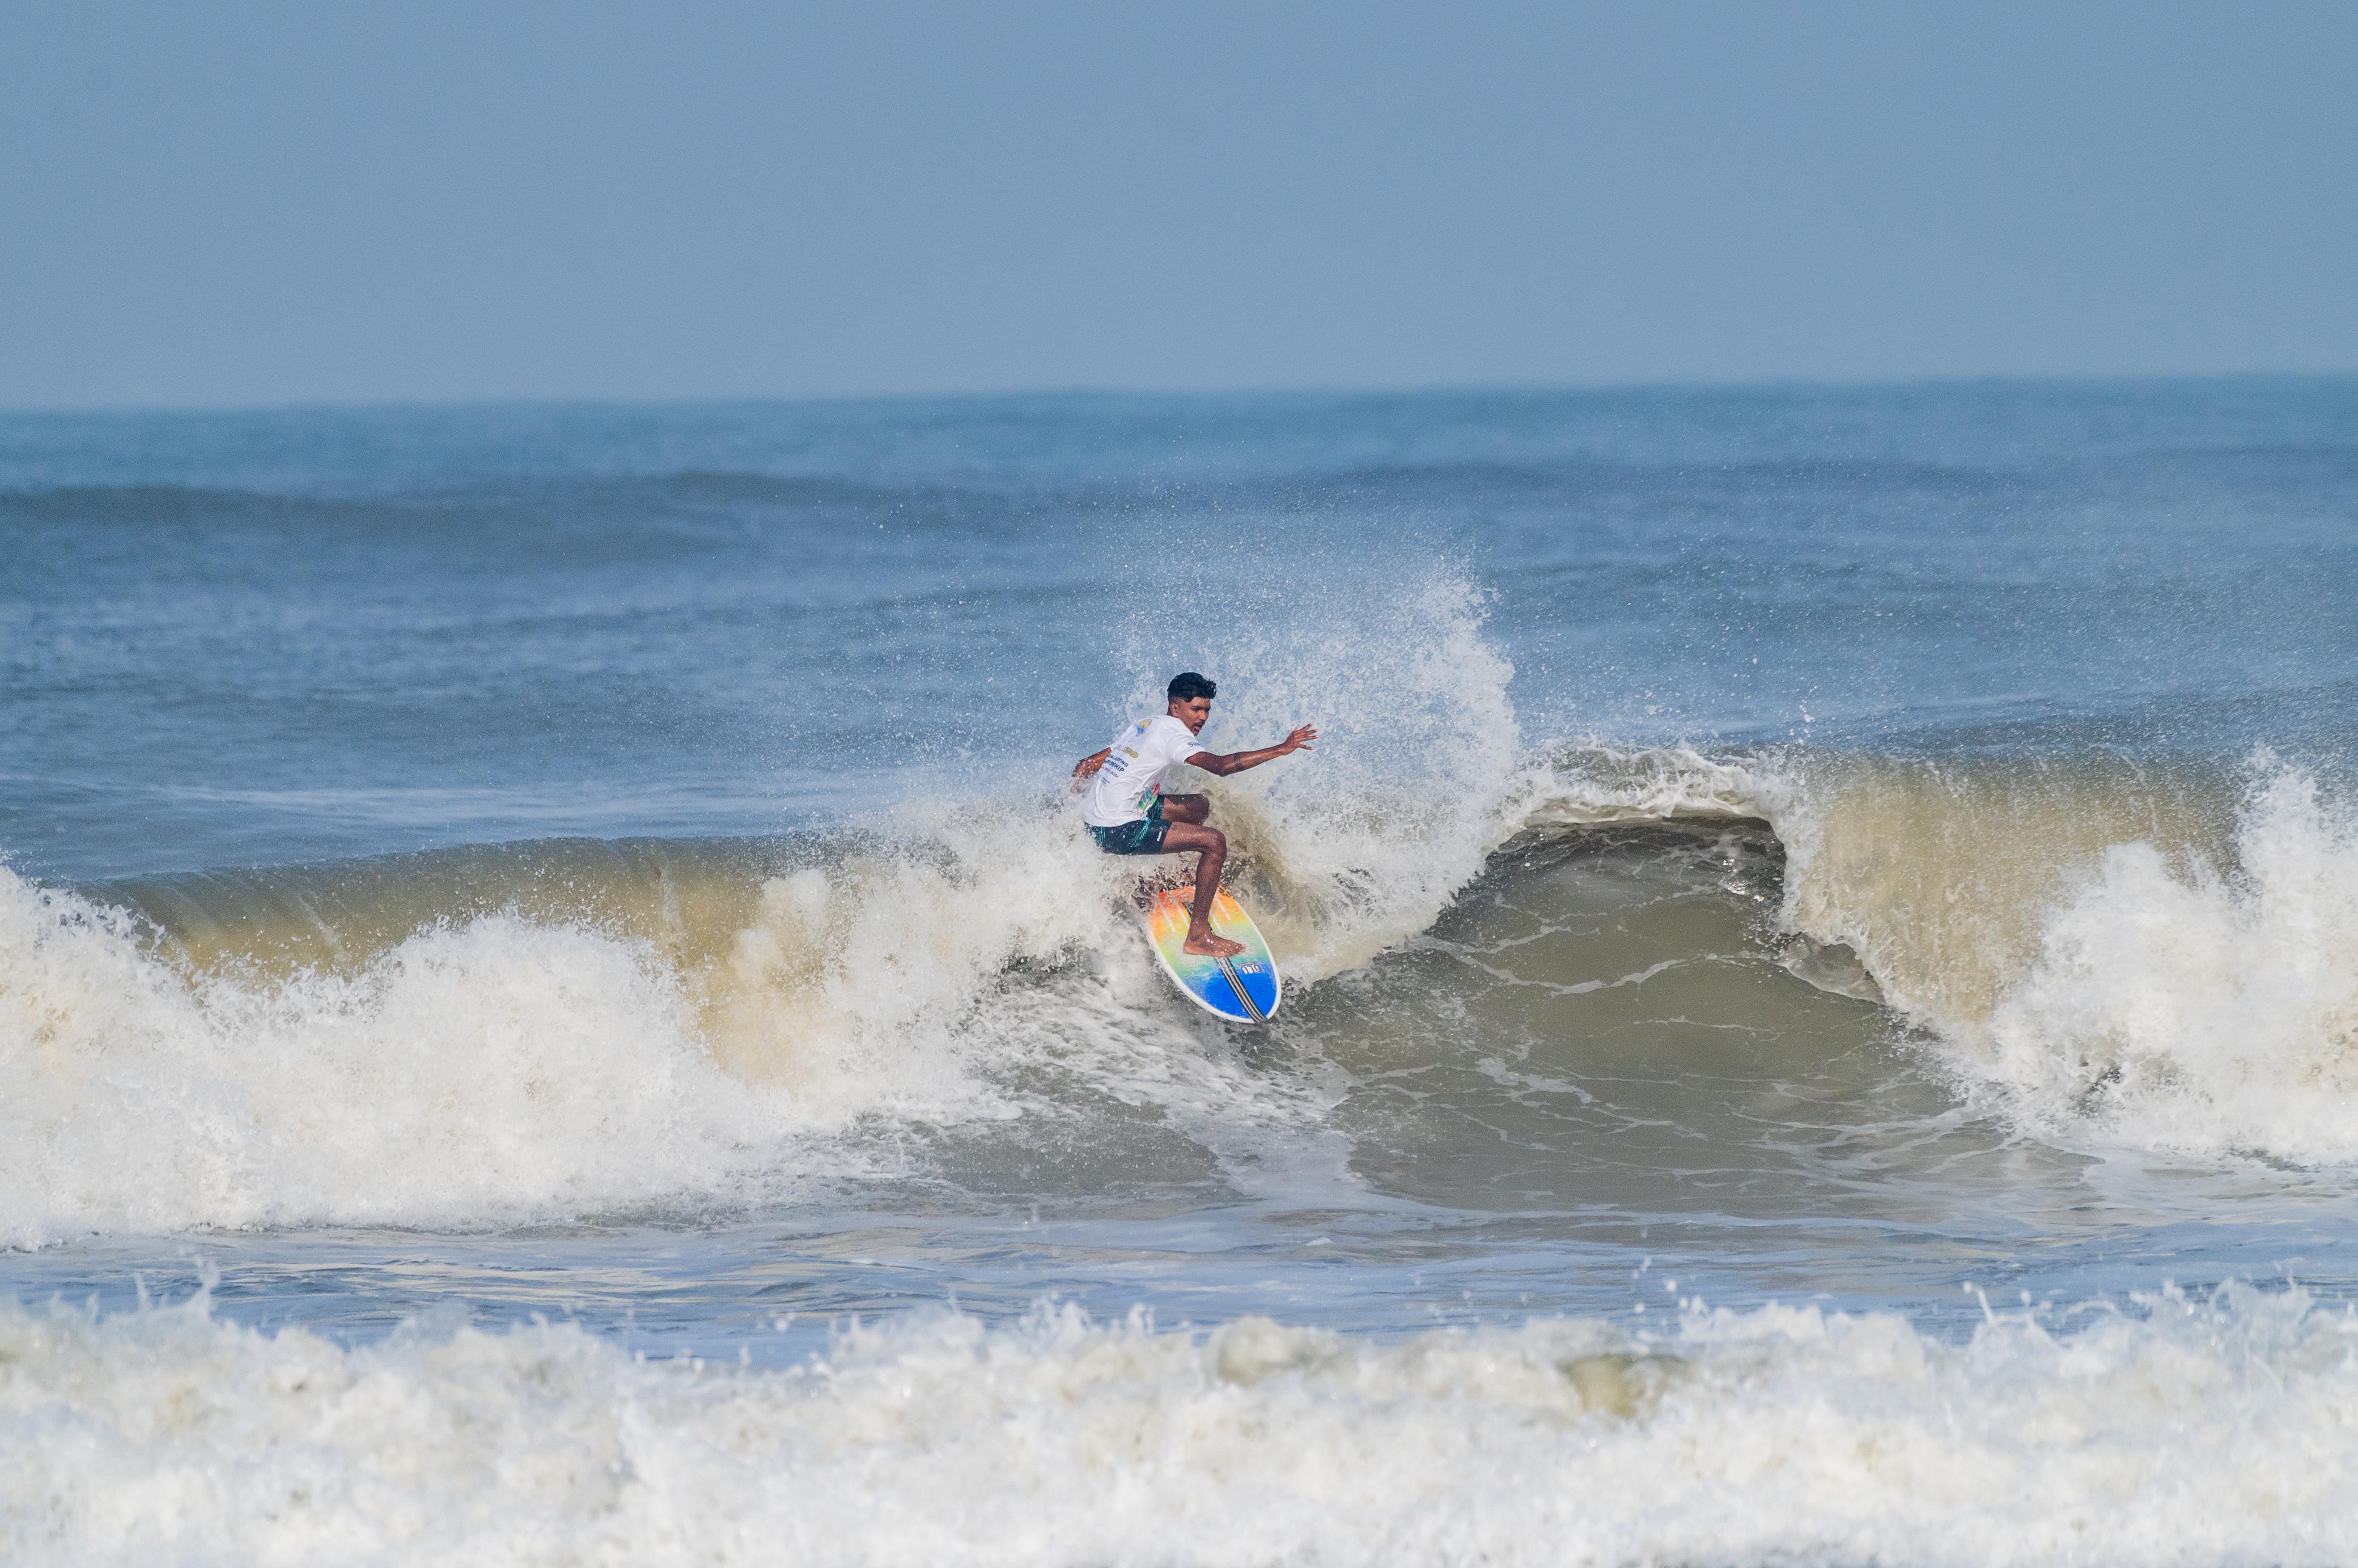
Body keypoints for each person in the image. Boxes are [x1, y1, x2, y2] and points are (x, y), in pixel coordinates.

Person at [1072, 672, 1317, 958]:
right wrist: (1281, 749)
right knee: (1214, 842)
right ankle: (1198, 936)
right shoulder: (1174, 734)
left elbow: (1084, 766)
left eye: (1207, 711)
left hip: (1097, 822)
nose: (1202, 717)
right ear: (1175, 708)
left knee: (1198, 807)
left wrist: (1069, 812)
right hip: (1118, 829)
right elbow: (1222, 767)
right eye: (1196, 709)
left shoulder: (1146, 724)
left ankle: (1166, 877)